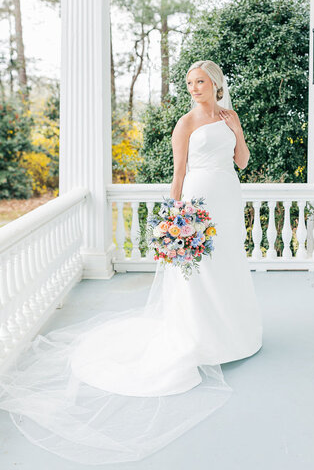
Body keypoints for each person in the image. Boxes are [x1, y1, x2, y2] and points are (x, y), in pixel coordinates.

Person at [0, 60, 263, 464]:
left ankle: (233, 334)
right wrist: (175, 220)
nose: (194, 88)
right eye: (190, 83)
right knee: (199, 273)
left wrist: (238, 130)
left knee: (226, 266)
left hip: (227, 196)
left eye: (201, 82)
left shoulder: (230, 117)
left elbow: (243, 162)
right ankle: (198, 337)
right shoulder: (185, 123)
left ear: (216, 84)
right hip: (198, 200)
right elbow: (178, 174)